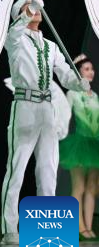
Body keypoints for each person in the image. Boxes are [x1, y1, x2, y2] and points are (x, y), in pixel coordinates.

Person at [0, 0, 91, 245]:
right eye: (29, 8)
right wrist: (29, 7)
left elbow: (64, 74)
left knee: (48, 171)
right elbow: (13, 33)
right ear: (20, 14)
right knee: (16, 170)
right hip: (24, 106)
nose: (36, 10)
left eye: (37, 7)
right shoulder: (15, 40)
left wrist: (78, 83)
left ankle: (44, 229)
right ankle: (10, 229)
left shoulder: (50, 46)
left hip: (46, 109)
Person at [61, 55, 99, 240]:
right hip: (80, 143)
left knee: (92, 187)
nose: (90, 72)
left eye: (91, 69)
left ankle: (89, 226)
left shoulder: (96, 96)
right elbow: (65, 115)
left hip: (95, 143)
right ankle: (79, 226)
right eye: (86, 69)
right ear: (78, 72)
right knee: (79, 187)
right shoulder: (73, 94)